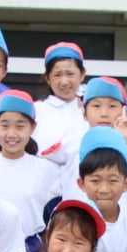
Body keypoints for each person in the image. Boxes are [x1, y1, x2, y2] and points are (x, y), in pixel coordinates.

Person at [0, 89, 61, 252]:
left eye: (20, 126)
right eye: (5, 126)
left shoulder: (48, 169)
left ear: (32, 127)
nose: (12, 134)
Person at [34, 42, 89, 188]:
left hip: (83, 193)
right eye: (57, 75)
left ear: (82, 74)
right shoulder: (36, 111)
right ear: (48, 78)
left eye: (70, 74)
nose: (64, 82)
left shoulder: (91, 113)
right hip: (44, 191)